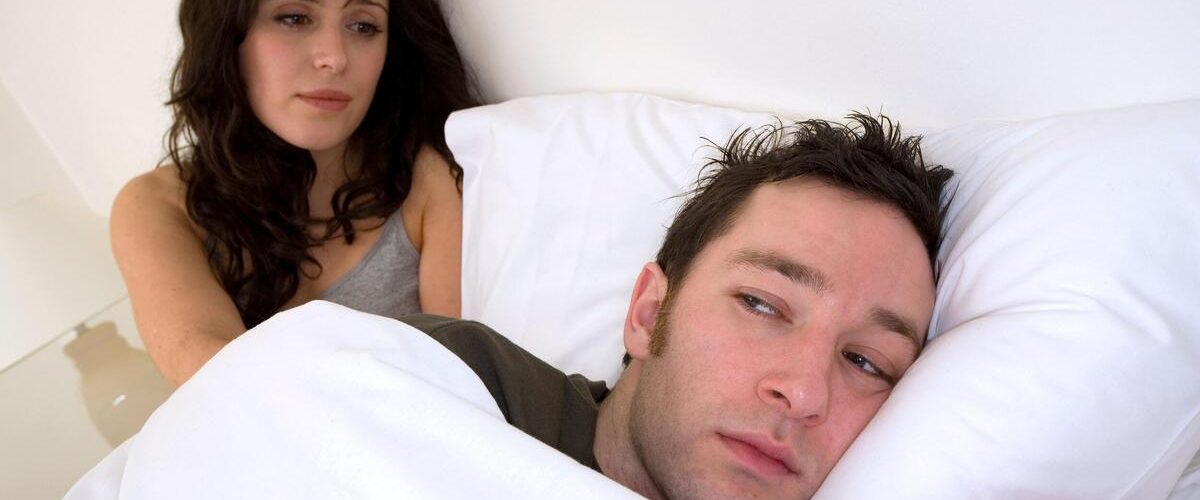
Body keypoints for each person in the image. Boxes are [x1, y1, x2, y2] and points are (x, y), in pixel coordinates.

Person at [404, 113, 954, 498]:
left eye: (865, 361)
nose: (804, 393)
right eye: (761, 305)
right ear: (648, 314)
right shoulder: (448, 380)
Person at [110, 0, 477, 386]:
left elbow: (469, 385)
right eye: (295, 18)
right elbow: (220, 388)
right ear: (227, 35)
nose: (335, 58)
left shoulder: (432, 176)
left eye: (364, 26)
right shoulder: (159, 206)